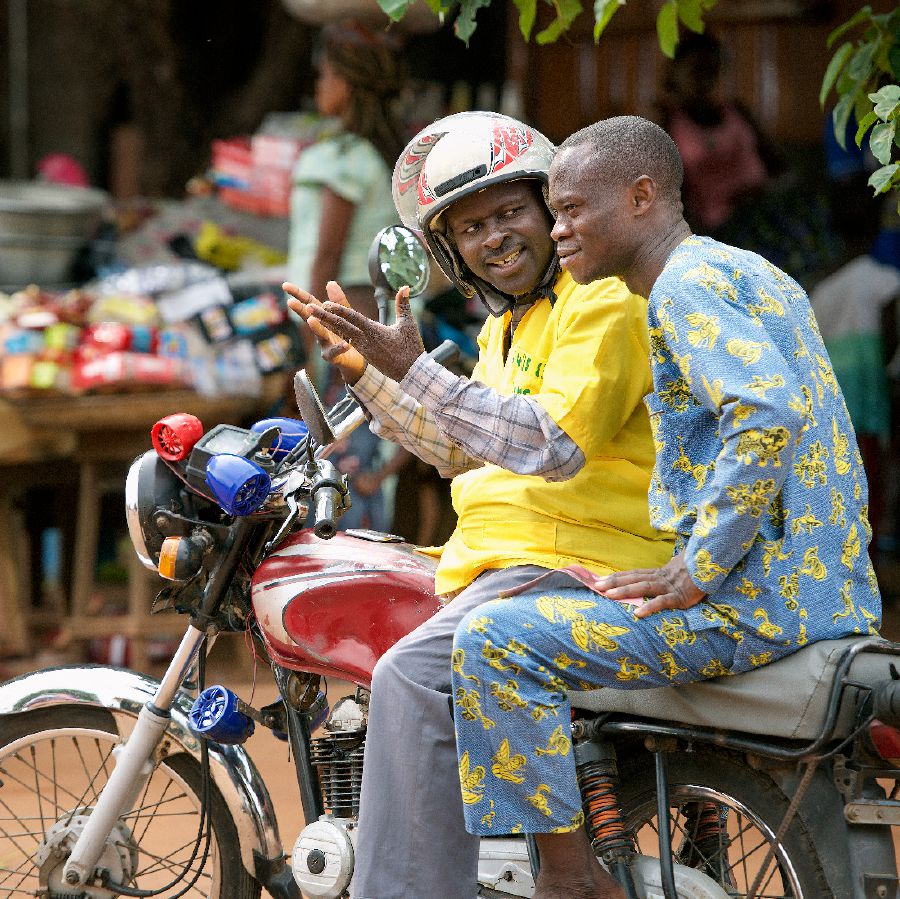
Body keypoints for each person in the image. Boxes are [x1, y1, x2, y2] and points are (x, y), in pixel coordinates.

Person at [432, 115, 881, 899]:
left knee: (494, 644)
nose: (558, 229)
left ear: (641, 197)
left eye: (572, 209)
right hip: (825, 591)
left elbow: (765, 413)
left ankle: (568, 880)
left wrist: (697, 567)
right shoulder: (745, 270)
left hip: (756, 604)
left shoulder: (681, 287)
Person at [283, 112, 674, 899]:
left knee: (410, 680)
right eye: (470, 228)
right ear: (449, 252)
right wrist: (367, 370)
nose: (495, 237)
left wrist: (414, 369)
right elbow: (465, 444)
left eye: (508, 214)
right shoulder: (508, 327)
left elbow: (550, 443)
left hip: (572, 559)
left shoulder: (599, 303)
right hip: (507, 564)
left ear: (550, 208)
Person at [286, 21, 404, 332]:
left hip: (342, 310)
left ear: (346, 84)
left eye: (324, 75)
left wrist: (312, 333)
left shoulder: (349, 160)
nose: (318, 85)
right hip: (364, 310)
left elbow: (327, 257)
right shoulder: (373, 153)